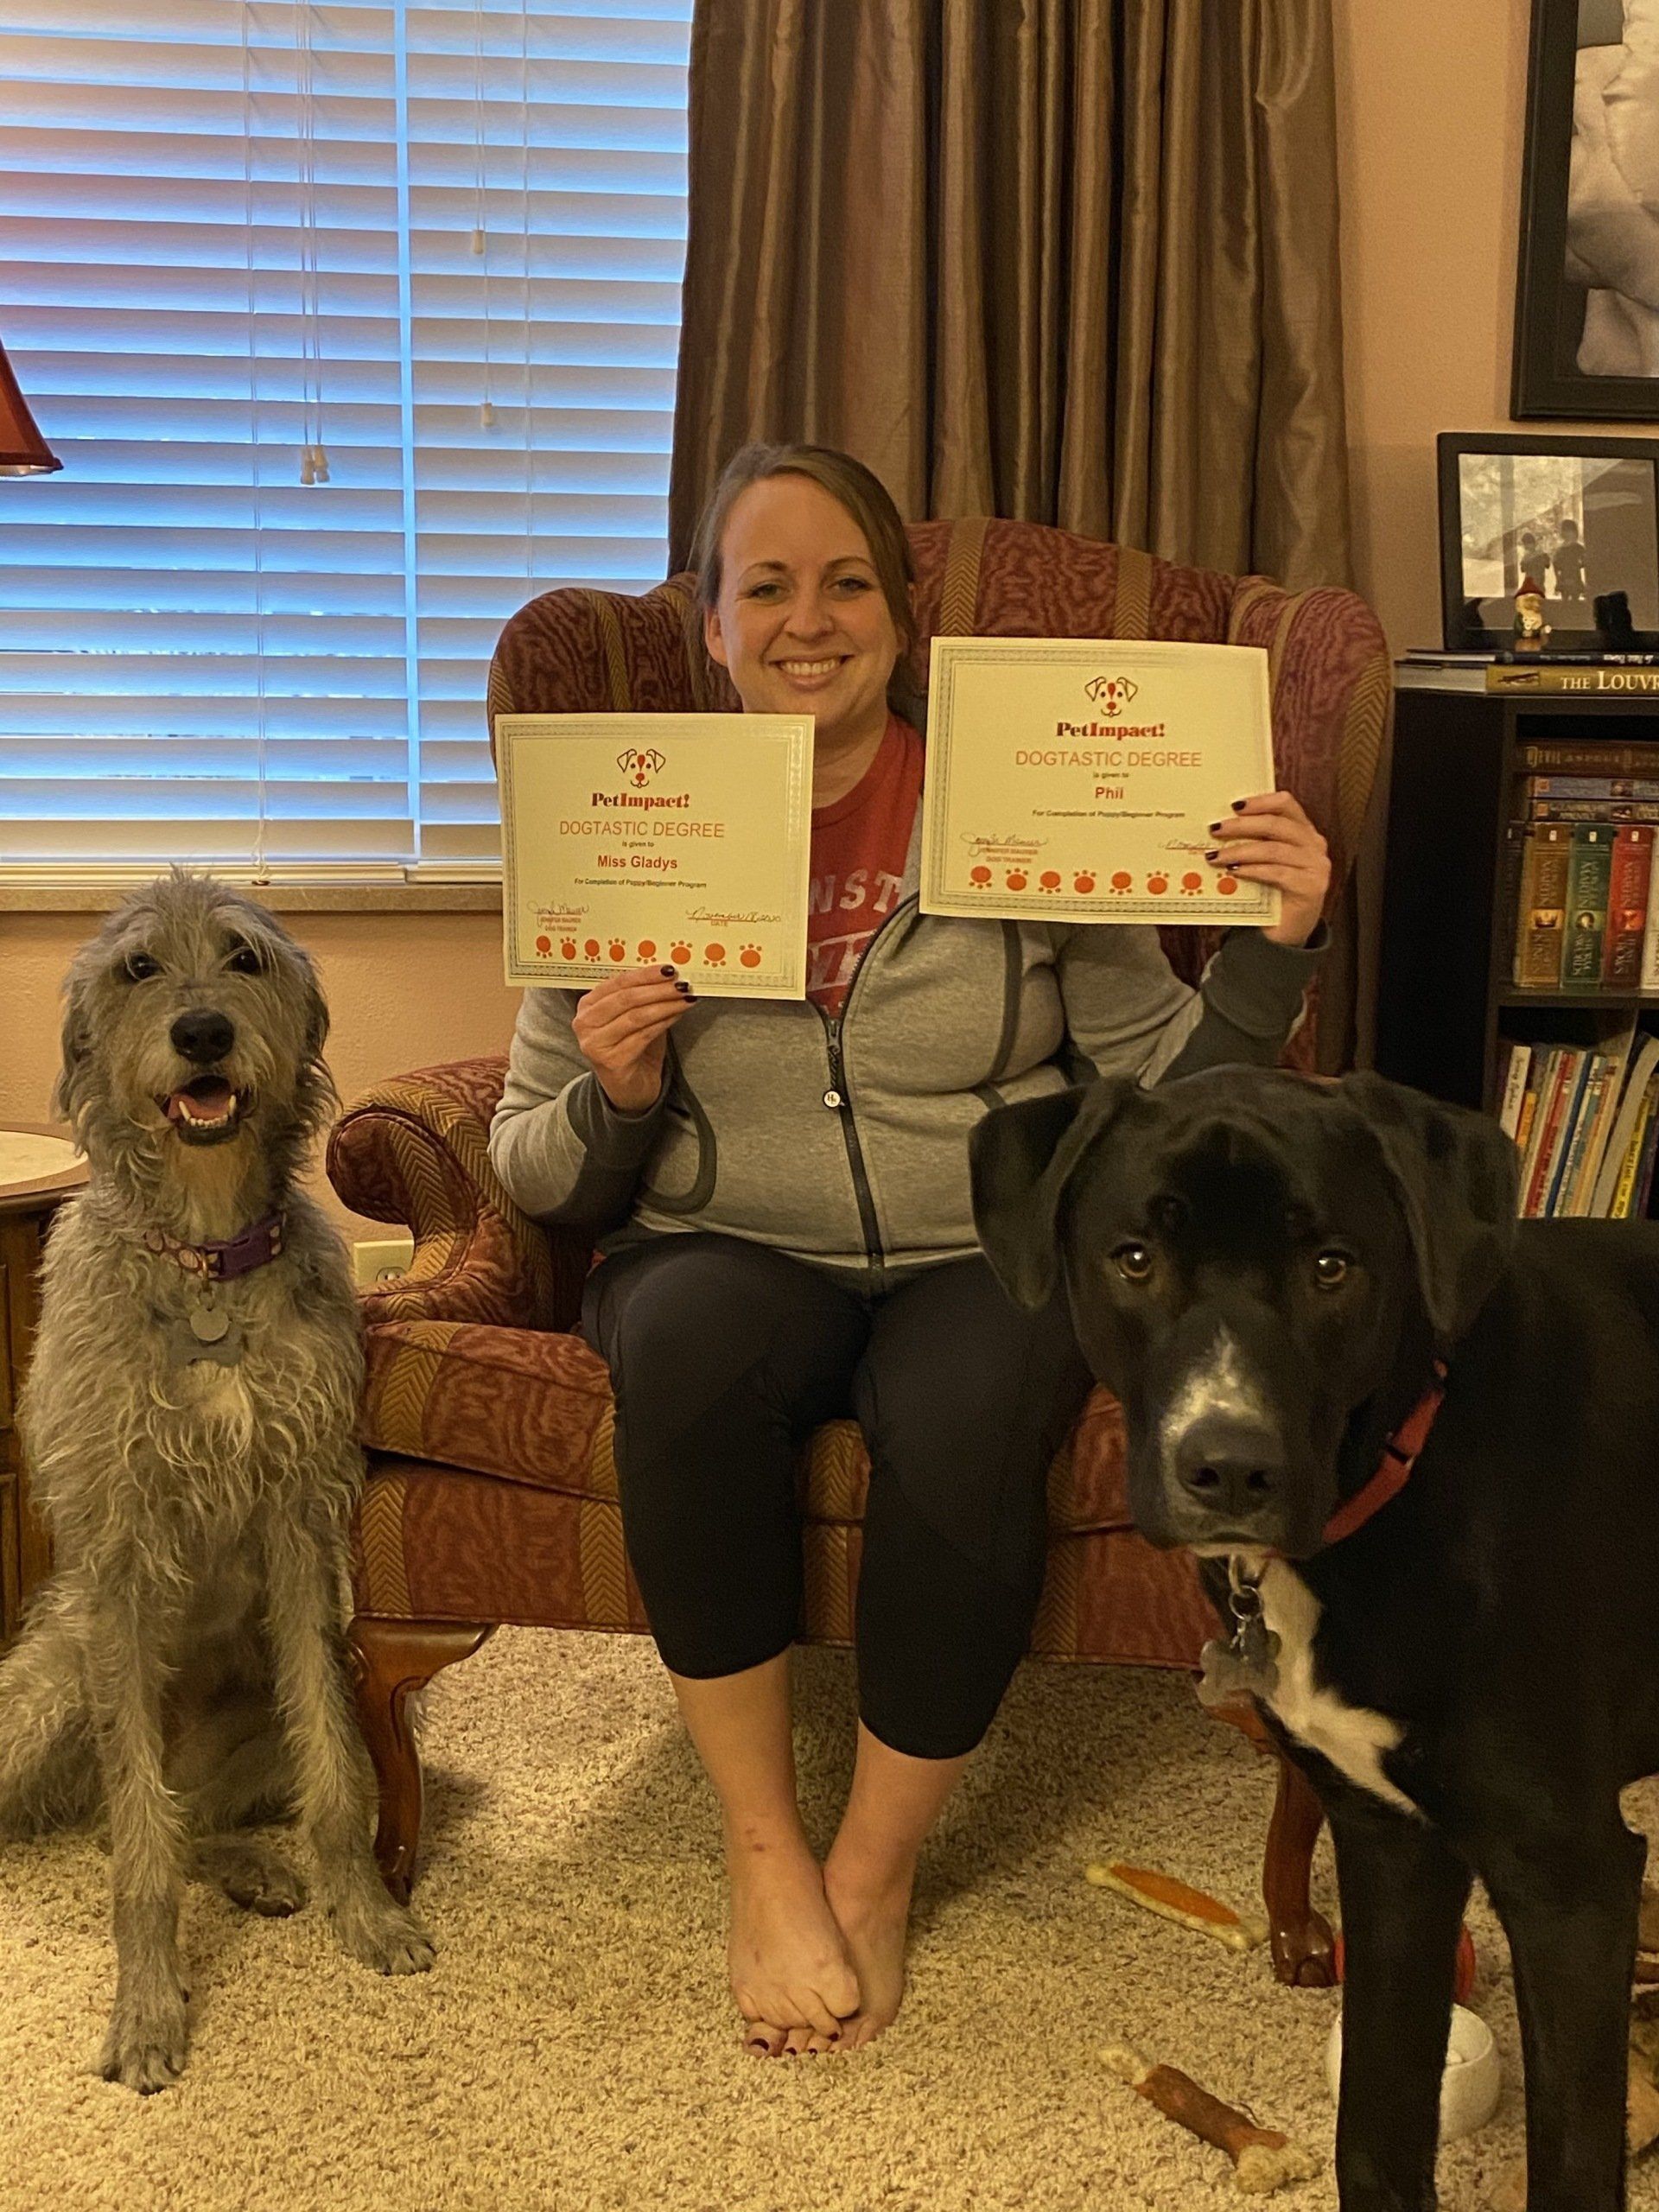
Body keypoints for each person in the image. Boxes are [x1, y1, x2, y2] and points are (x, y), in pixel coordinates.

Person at [488, 442, 1332, 2059]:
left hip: (984, 1242)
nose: (812, 620)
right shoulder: (626, 817)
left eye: (850, 580)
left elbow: (1164, 1094)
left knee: (967, 1410)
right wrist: (614, 1092)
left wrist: (1273, 953)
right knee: (680, 1358)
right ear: (714, 629)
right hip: (718, 1239)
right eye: (768, 586)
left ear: (902, 613)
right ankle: (763, 1855)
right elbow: (529, 1167)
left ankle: (870, 1866)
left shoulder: (1011, 801)